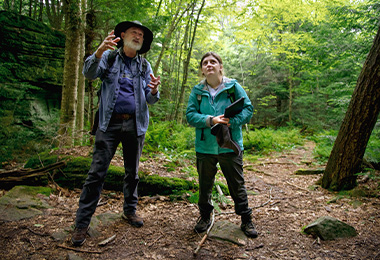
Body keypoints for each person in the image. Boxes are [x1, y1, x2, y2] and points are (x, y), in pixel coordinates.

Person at [71, 20, 161, 246]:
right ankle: (82, 224)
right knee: (96, 173)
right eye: (134, 32)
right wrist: (99, 52)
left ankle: (130, 211)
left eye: (141, 34)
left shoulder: (144, 65)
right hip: (108, 125)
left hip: (135, 125)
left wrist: (154, 91)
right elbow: (89, 74)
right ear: (122, 35)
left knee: (133, 172)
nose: (138, 36)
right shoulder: (109, 58)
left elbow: (150, 99)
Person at [186, 52, 257, 238]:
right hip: (204, 147)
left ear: (220, 67)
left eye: (213, 62)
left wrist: (231, 122)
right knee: (205, 185)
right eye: (205, 63)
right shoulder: (197, 91)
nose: (209, 65)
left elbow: (248, 109)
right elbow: (190, 115)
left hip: (230, 144)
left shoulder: (233, 87)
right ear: (202, 69)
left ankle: (246, 219)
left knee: (237, 184)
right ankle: (204, 216)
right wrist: (210, 120)